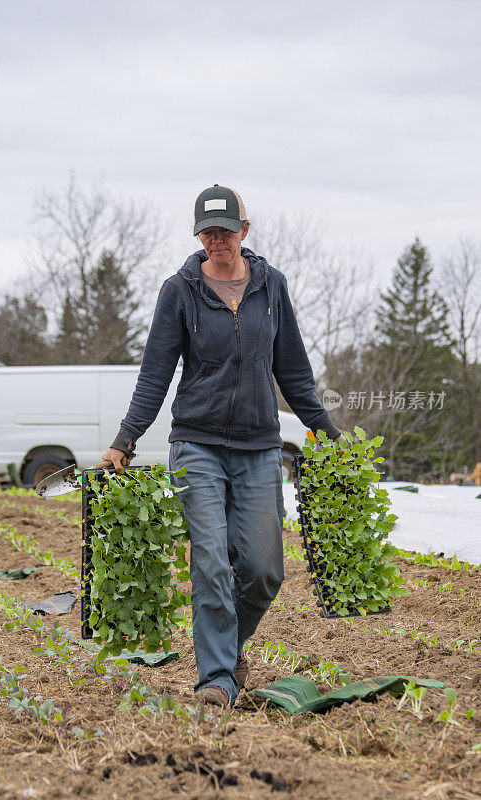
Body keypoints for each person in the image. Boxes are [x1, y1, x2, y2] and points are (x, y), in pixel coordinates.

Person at [102, 184, 344, 707]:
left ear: (245, 230)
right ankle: (216, 679)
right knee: (210, 560)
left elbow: (295, 374)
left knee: (262, 569)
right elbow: (155, 374)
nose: (217, 241)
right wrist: (126, 439)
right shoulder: (180, 290)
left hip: (259, 445)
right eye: (208, 233)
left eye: (226, 231)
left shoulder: (272, 287)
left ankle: (228, 645)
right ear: (199, 236)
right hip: (198, 443)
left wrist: (329, 433)